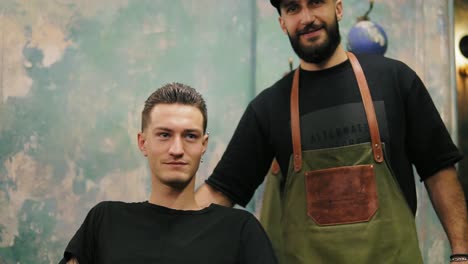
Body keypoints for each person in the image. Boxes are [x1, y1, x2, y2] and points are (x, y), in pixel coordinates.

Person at [195, 0, 468, 263]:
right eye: (293, 8)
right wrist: (163, 227)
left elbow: (439, 172)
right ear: (282, 22)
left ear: (338, 8)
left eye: (316, 2)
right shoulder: (269, 107)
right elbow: (220, 193)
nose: (306, 17)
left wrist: (461, 254)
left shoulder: (395, 80)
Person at [59, 83, 278, 264]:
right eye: (164, 135)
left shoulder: (239, 230)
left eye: (190, 136)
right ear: (143, 143)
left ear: (204, 145)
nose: (177, 149)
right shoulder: (105, 222)